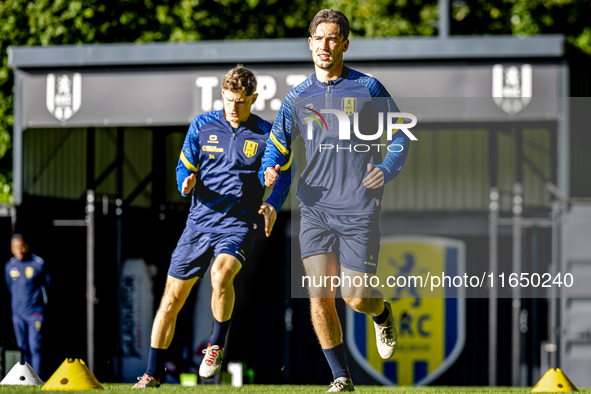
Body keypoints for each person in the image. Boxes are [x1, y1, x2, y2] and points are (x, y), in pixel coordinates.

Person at [260, 9, 411, 392]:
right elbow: (277, 145)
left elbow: (401, 136)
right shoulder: (297, 97)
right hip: (314, 209)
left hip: (359, 207)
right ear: (310, 43)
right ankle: (340, 377)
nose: (325, 45)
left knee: (357, 297)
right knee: (320, 295)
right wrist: (270, 168)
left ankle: (382, 312)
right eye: (319, 38)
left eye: (333, 38)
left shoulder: (368, 89)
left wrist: (387, 168)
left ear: (345, 43)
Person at [133, 66, 296, 388]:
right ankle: (151, 374)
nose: (233, 108)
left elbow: (285, 171)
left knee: (220, 275)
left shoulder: (267, 132)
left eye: (240, 101)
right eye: (229, 100)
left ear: (254, 98)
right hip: (198, 223)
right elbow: (184, 166)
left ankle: (215, 345)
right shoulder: (202, 125)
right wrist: (185, 183)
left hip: (238, 223)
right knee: (171, 300)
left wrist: (273, 202)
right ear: (222, 95)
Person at [5, 234, 50, 376]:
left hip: (35, 313)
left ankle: (36, 379)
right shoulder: (9, 266)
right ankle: (26, 379)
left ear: (27, 245)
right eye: (16, 247)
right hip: (18, 314)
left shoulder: (38, 264)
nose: (20, 249)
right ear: (12, 248)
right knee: (22, 347)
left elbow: (47, 287)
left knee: (35, 346)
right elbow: (10, 287)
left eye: (22, 246)